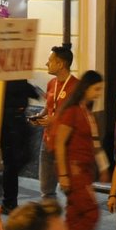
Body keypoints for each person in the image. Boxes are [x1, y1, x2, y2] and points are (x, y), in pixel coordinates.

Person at [52, 70, 104, 230]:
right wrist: (64, 175)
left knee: (74, 214)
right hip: (74, 172)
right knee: (91, 212)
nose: (98, 93)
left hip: (84, 171)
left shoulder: (85, 110)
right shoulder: (72, 111)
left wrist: (103, 166)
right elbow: (60, 142)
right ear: (86, 87)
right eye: (96, 88)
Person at [36, 44, 77, 202]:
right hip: (47, 142)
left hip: (66, 144)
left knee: (70, 188)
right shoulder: (51, 83)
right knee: (46, 189)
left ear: (61, 64)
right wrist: (39, 117)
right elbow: (49, 106)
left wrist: (53, 120)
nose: (47, 63)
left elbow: (74, 116)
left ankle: (73, 222)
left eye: (50, 60)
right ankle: (50, 222)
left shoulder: (76, 86)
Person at [0, 78, 39, 213]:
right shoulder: (5, 76)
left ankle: (7, 198)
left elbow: (30, 90)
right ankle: (8, 202)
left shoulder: (18, 75)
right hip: (7, 119)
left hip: (17, 118)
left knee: (20, 159)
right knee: (12, 162)